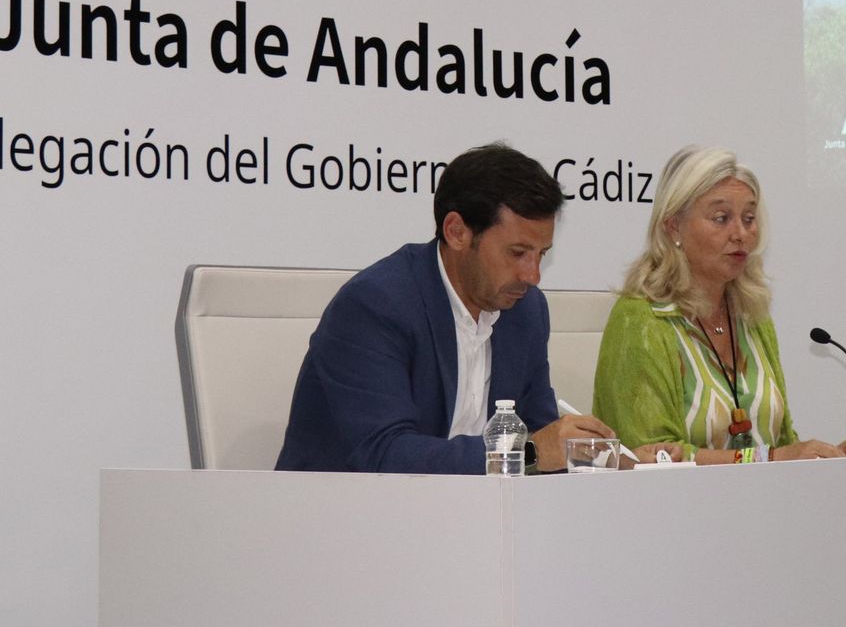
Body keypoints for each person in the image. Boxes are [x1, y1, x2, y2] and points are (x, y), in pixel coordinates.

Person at [276, 142, 665, 473]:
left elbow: (542, 430)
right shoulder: (375, 306)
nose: (533, 276)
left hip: (470, 528)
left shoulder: (526, 312)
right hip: (342, 529)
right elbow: (385, 456)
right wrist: (527, 453)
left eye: (541, 254)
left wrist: (601, 458)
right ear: (457, 232)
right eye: (517, 253)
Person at [592, 145, 846, 463]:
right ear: (674, 227)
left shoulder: (751, 316)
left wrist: (828, 455)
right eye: (721, 218)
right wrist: (773, 458)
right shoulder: (641, 319)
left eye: (749, 218)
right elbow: (651, 457)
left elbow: (780, 440)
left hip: (763, 504)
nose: (741, 233)